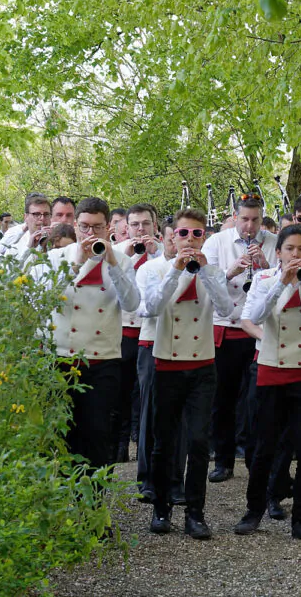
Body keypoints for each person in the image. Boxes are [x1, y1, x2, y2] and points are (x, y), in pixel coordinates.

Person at [234, 224, 301, 542]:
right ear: (279, 252)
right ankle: (254, 510)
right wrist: (281, 283)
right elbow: (257, 316)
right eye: (289, 249)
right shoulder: (264, 279)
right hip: (271, 369)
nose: (295, 255)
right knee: (263, 447)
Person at [145, 208, 232, 540]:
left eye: (197, 234)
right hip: (166, 363)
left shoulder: (214, 271)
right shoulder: (157, 270)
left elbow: (226, 309)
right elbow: (151, 308)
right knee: (163, 441)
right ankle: (161, 507)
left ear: (204, 237)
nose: (190, 240)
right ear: (171, 236)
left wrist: (206, 270)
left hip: (202, 364)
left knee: (198, 441)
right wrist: (176, 271)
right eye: (184, 234)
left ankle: (195, 513)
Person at [45, 197, 140, 473]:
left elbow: (133, 305)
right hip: (62, 359)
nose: (90, 234)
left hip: (103, 359)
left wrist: (112, 263)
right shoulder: (57, 257)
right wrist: (75, 264)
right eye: (85, 227)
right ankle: (64, 500)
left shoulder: (122, 260)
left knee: (99, 434)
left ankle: (95, 503)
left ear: (108, 226)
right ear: (75, 225)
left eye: (97, 228)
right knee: (64, 435)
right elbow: (44, 301)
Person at [201, 194, 275, 483]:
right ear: (235, 216)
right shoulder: (217, 242)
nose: (250, 225)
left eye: (255, 220)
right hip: (226, 327)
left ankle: (254, 458)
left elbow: (280, 279)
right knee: (224, 398)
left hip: (258, 330)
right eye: (245, 219)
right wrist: (234, 269)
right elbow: (206, 281)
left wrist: (264, 263)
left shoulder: (272, 240)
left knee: (255, 398)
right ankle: (223, 459)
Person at [134, 216, 185, 504]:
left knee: (181, 419)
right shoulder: (151, 268)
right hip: (152, 343)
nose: (175, 243)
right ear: (165, 238)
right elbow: (146, 308)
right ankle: (148, 479)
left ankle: (176, 480)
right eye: (170, 238)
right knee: (150, 413)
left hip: (184, 347)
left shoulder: (198, 268)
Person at [113, 203, 162, 463]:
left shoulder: (163, 254)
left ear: (154, 225)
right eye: (134, 224)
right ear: (125, 227)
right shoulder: (117, 252)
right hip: (122, 330)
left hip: (151, 333)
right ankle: (120, 446)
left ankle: (145, 444)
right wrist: (131, 256)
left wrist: (154, 254)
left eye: (145, 224)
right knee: (120, 391)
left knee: (146, 394)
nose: (140, 229)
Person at [8, 193, 53, 263]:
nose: (42, 218)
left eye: (46, 214)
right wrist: (28, 249)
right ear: (26, 217)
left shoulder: (58, 240)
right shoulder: (15, 241)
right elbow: (10, 271)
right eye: (36, 214)